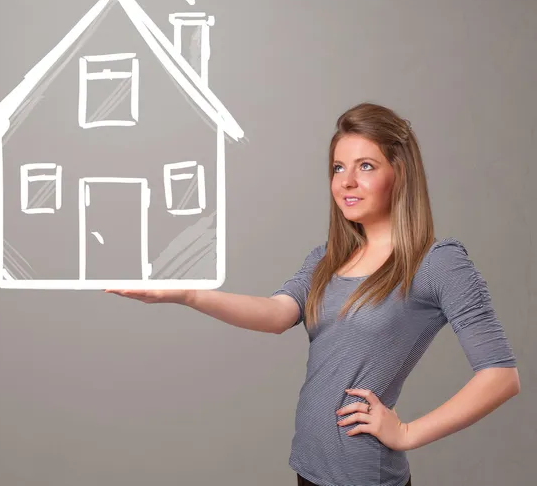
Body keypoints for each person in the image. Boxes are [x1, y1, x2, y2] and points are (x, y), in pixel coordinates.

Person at [106, 102, 520, 486]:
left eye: (366, 166)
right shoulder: (327, 257)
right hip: (309, 467)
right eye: (339, 167)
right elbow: (275, 314)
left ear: (401, 173)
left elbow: (501, 376)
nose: (348, 182)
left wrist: (407, 432)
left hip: (362, 476)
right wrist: (188, 295)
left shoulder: (436, 262)